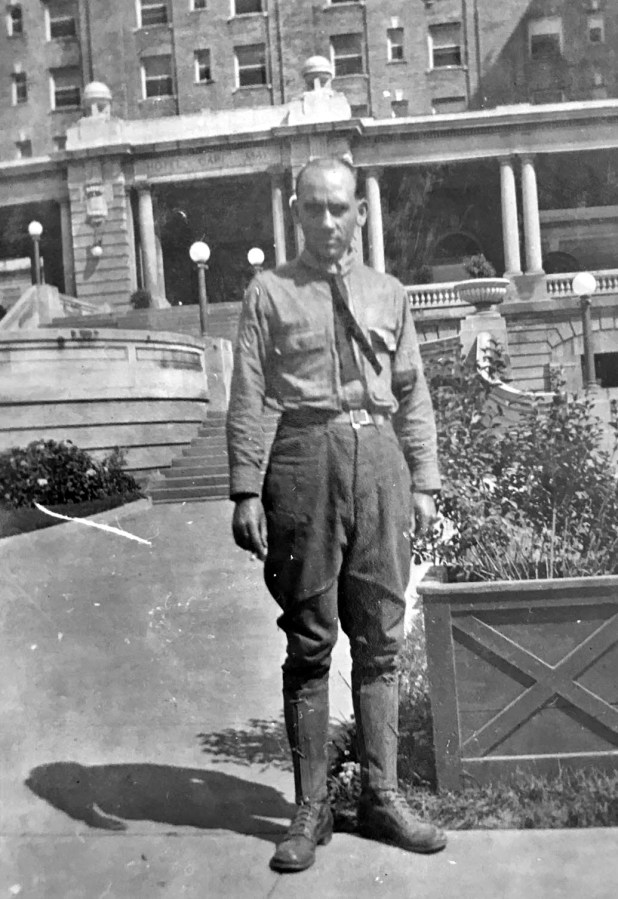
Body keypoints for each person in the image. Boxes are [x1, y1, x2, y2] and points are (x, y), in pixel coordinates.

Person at [226, 156, 446, 873]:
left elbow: (411, 393)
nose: (327, 221)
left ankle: (382, 795)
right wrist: (244, 489)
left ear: (359, 212)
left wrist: (424, 482)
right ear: (297, 212)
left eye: (339, 207)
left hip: (379, 458)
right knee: (311, 637)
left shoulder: (390, 292)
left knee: (380, 634)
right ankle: (310, 806)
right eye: (313, 208)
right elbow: (250, 391)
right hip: (302, 458)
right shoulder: (269, 293)